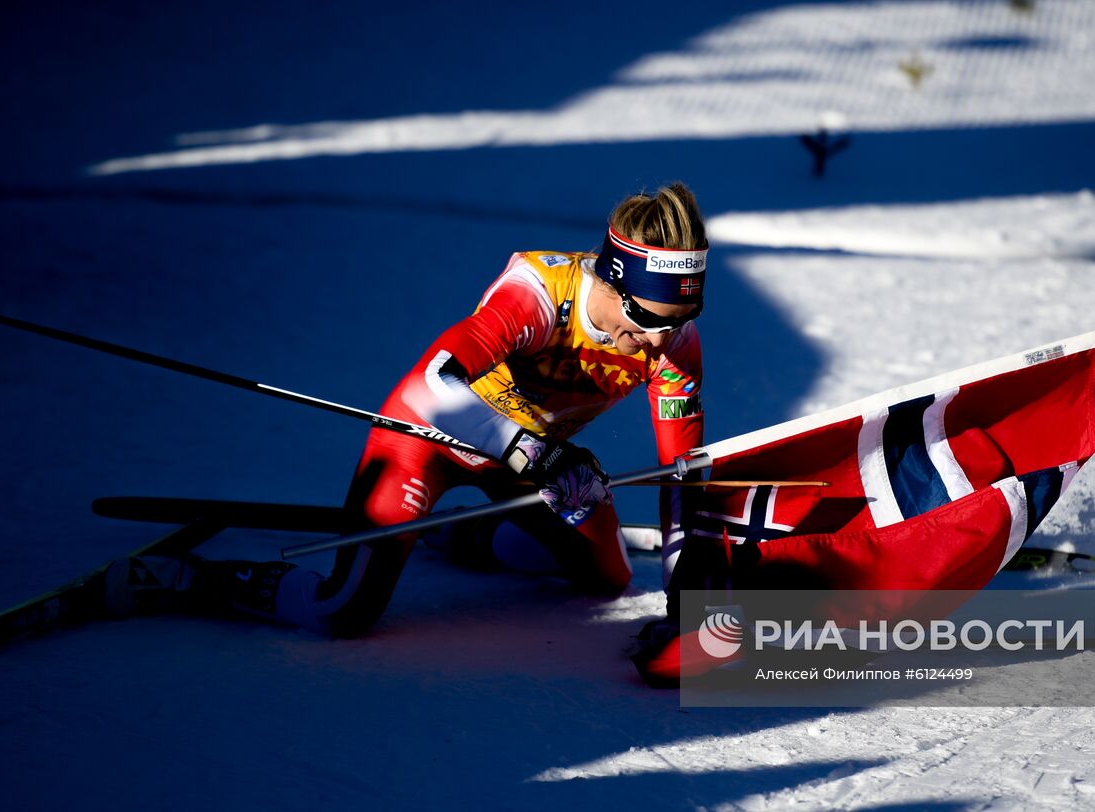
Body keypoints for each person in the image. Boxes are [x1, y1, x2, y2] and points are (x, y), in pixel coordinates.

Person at [104, 183, 709, 637]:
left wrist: (687, 604)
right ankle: (189, 580)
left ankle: (465, 536)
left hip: (524, 462)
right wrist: (536, 453)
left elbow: (681, 476)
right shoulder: (538, 294)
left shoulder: (675, 344)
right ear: (611, 280)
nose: (663, 341)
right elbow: (432, 384)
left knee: (607, 581)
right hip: (429, 438)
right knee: (343, 613)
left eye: (682, 319)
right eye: (650, 320)